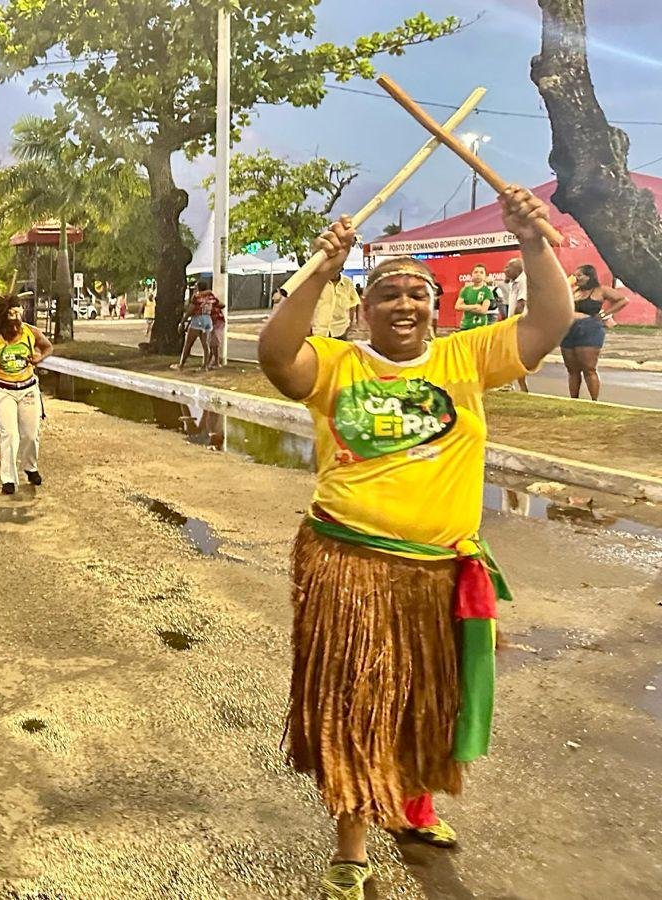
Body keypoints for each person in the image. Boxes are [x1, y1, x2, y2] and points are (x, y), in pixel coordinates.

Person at [255, 187, 572, 900]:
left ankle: (411, 806)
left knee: (427, 701)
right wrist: (320, 271)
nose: (403, 305)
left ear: (437, 308)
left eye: (417, 295)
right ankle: (351, 846)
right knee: (356, 705)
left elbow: (552, 322)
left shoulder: (467, 359)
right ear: (364, 309)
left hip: (438, 571)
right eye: (388, 294)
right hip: (351, 566)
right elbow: (276, 356)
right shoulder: (338, 366)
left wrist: (532, 239)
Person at [0, 295, 52, 495]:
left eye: (17, 324)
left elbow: (47, 347)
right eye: (9, 325)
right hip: (3, 390)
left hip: (27, 389)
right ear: (1, 322)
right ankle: (8, 479)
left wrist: (39, 358)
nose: (14, 329)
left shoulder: (31, 332)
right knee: (9, 435)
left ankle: (30, 467)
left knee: (30, 434)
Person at [561, 263, 628, 401]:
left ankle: (594, 401)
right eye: (575, 275)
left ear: (589, 276)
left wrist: (604, 314)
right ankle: (573, 399)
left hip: (589, 329)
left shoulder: (600, 290)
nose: (576, 278)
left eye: (579, 275)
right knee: (572, 370)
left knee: (588, 368)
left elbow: (622, 300)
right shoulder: (574, 290)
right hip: (568, 330)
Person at [499, 258, 530, 391]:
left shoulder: (523, 281)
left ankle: (516, 386)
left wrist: (513, 324)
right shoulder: (515, 282)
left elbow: (521, 304)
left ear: (518, 269)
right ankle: (515, 386)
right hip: (517, 324)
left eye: (508, 267)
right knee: (512, 356)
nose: (504, 270)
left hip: (519, 325)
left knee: (512, 356)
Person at [175, 280, 218, 370]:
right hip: (207, 319)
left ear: (198, 287)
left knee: (188, 343)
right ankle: (205, 366)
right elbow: (218, 304)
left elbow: (190, 310)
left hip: (198, 319)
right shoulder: (210, 296)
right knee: (205, 344)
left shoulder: (196, 296)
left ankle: (181, 365)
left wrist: (183, 321)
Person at [312, 266, 361, 340]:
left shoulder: (347, 283)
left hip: (341, 330)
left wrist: (352, 323)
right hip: (319, 331)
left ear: (341, 270)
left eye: (336, 270)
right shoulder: (318, 283)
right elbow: (308, 306)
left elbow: (354, 304)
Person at [456, 264, 494, 331]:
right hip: (465, 326)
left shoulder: (487, 291)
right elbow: (457, 306)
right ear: (472, 274)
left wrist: (465, 307)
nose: (478, 274)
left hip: (480, 328)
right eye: (476, 272)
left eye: (481, 272)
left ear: (485, 276)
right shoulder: (465, 290)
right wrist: (475, 306)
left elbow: (483, 311)